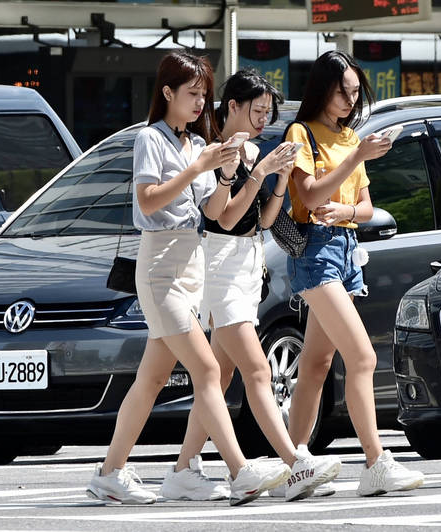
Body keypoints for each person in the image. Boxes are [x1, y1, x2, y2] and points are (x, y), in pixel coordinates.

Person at [87, 51, 289, 506]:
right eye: (192, 94)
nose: (201, 104)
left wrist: (227, 175)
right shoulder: (151, 140)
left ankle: (109, 472)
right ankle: (240, 471)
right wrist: (199, 169)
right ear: (167, 94)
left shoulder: (198, 147)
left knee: (152, 380)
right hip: (160, 270)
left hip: (190, 268)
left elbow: (216, 213)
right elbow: (149, 202)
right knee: (208, 368)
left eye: (204, 95)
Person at [160, 69, 341, 503]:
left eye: (268, 112)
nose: (263, 119)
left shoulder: (255, 152)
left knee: (219, 376)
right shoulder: (214, 152)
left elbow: (260, 220)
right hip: (218, 264)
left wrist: (277, 179)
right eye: (257, 110)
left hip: (248, 262)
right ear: (233, 107)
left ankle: (183, 467)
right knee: (257, 370)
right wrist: (258, 173)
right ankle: (295, 463)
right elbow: (222, 217)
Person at [283, 50, 424, 497]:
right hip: (315, 252)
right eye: (342, 91)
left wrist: (348, 207)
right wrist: (355, 157)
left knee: (317, 361)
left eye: (355, 92)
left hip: (345, 248)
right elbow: (306, 192)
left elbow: (364, 207)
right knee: (362, 357)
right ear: (322, 88)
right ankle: (376, 461)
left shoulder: (349, 137)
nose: (349, 99)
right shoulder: (301, 132)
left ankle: (295, 461)